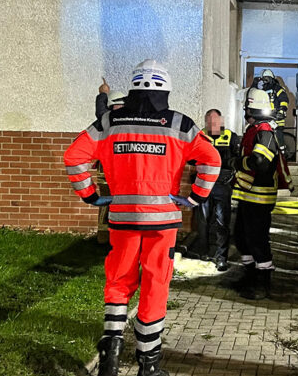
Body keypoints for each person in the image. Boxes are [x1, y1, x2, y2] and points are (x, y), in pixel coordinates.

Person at [64, 59, 221, 376]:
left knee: (119, 280)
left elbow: (74, 157)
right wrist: (194, 197)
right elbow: (212, 161)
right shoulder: (179, 124)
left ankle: (110, 351)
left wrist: (91, 196)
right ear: (166, 89)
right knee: (155, 285)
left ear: (134, 86)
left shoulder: (110, 121)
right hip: (162, 222)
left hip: (122, 218)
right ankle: (148, 367)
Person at [232, 87, 281, 300]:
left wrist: (237, 162)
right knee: (242, 237)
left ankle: (263, 283)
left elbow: (259, 162)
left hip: (260, 197)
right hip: (248, 194)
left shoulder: (265, 132)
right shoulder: (255, 129)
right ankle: (249, 276)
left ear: (250, 108)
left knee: (257, 240)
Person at [186, 109, 240, 271]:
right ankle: (203, 252)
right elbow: (190, 156)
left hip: (222, 185)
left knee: (222, 221)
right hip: (204, 184)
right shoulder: (200, 136)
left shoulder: (231, 137)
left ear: (222, 121)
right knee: (202, 220)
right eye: (209, 121)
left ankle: (221, 257)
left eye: (215, 121)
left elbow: (237, 158)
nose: (212, 124)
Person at [93, 79, 127, 244]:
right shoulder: (113, 120)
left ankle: (111, 237)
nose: (120, 108)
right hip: (109, 171)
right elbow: (102, 114)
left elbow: (101, 113)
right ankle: (105, 237)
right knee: (108, 202)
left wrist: (103, 94)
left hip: (116, 170)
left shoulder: (113, 121)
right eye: (117, 105)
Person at [252, 69, 289, 151]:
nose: (265, 80)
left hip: (276, 117)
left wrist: (281, 110)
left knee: (278, 134)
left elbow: (284, 99)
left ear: (272, 78)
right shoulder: (262, 91)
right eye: (264, 78)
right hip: (265, 117)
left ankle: (282, 151)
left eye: (267, 78)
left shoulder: (278, 88)